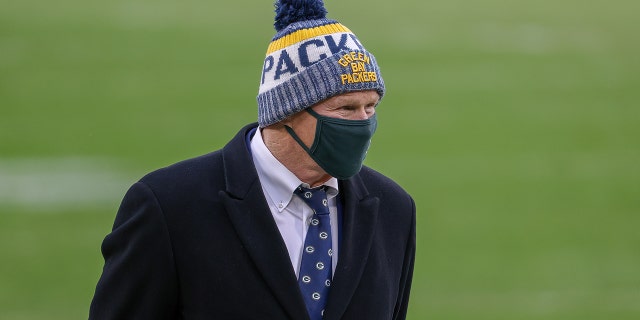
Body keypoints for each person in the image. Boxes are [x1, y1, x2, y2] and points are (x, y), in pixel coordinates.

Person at [89, 0, 415, 319]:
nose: (363, 123)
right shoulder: (169, 207)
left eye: (370, 107)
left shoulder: (393, 209)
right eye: (345, 108)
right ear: (286, 110)